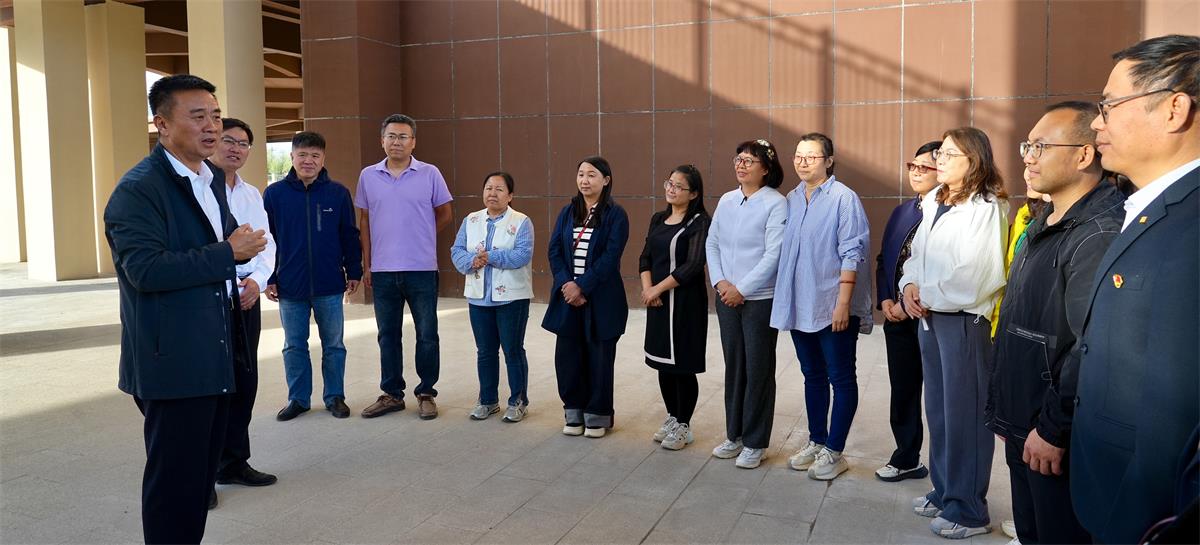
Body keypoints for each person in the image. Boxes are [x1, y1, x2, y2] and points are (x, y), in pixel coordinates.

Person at [104, 74, 267, 543]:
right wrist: (227, 253)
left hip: (215, 352)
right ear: (162, 124)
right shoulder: (139, 190)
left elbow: (226, 239)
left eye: (215, 115)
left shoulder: (209, 179)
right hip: (173, 361)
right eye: (198, 116)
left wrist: (243, 257)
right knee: (174, 484)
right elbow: (145, 270)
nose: (211, 126)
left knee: (198, 482)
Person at [1071, 34, 1200, 545]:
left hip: (1145, 514)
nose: (1096, 122)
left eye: (1109, 105)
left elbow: (1179, 409)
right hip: (1109, 492)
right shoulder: (1152, 207)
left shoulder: (1192, 225)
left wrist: (1141, 523)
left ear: (1174, 109)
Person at [986, 101, 1124, 545]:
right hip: (1024, 423)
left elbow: (1091, 345)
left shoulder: (1098, 233)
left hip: (1051, 435)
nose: (1028, 157)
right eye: (1027, 146)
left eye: (1041, 147)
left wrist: (1052, 428)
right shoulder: (1044, 221)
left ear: (1084, 155)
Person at [900, 127, 1008, 539]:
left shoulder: (987, 207)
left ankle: (969, 509)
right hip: (929, 316)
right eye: (940, 154)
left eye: (948, 155)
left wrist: (926, 294)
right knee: (940, 411)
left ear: (973, 160)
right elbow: (918, 255)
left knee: (967, 416)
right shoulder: (936, 201)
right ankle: (945, 491)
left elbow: (979, 275)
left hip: (962, 319)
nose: (938, 161)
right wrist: (909, 285)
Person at [771, 133, 872, 481]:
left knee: (840, 377)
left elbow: (852, 252)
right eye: (798, 155)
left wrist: (843, 304)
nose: (803, 162)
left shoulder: (844, 198)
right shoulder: (792, 198)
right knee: (812, 375)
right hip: (801, 304)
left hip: (833, 305)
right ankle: (817, 440)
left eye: (811, 156)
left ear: (828, 161)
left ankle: (835, 450)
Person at [357, 114, 454, 421]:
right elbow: (364, 222)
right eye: (391, 136)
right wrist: (368, 264)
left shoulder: (430, 173)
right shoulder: (368, 176)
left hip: (421, 268)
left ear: (413, 142)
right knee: (387, 335)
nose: (396, 142)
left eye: (403, 137)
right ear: (382, 140)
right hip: (383, 270)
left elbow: (445, 213)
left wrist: (422, 234)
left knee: (427, 333)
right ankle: (391, 394)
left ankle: (426, 393)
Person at [263, 131, 362, 421]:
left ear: (323, 159)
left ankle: (335, 397)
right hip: (289, 284)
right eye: (302, 155)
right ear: (292, 157)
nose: (308, 160)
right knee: (294, 345)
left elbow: (349, 235)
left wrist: (354, 270)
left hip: (329, 284)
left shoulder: (337, 193)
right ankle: (298, 399)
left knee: (334, 345)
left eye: (315, 155)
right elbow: (267, 240)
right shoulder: (274, 194)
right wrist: (269, 276)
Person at [206, 118, 278, 507]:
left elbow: (266, 243)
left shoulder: (251, 193)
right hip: (211, 300)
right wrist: (233, 279)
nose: (235, 148)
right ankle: (203, 476)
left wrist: (257, 281)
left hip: (247, 298)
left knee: (244, 382)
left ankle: (234, 462)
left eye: (243, 143)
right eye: (228, 140)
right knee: (210, 390)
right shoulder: (198, 188)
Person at [706, 139, 788, 470]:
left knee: (758, 369)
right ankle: (735, 434)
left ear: (766, 168)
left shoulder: (776, 203)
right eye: (738, 159)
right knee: (735, 366)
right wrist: (720, 282)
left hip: (759, 300)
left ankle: (755, 442)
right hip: (727, 297)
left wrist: (743, 288)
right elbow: (712, 243)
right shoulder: (727, 200)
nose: (741, 165)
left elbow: (774, 253)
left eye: (749, 161)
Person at [542, 156, 629, 438]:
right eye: (581, 174)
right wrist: (567, 284)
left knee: (599, 358)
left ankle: (597, 416)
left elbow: (610, 257)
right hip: (568, 298)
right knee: (568, 358)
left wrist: (582, 286)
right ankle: (573, 411)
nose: (585, 180)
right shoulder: (568, 212)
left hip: (601, 299)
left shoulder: (616, 215)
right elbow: (554, 250)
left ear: (606, 180)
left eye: (592, 175)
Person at [873, 140, 940, 483]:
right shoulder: (903, 211)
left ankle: (946, 471)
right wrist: (886, 299)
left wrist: (904, 304)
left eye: (924, 167)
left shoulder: (947, 212)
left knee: (940, 398)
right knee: (903, 390)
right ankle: (906, 457)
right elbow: (884, 259)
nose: (916, 172)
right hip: (897, 318)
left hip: (932, 316)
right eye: (912, 166)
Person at [450, 171, 534, 423]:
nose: (492, 193)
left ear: (510, 195)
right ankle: (487, 400)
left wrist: (490, 257)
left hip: (511, 298)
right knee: (485, 352)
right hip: (478, 298)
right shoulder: (471, 220)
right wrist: (471, 261)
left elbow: (522, 254)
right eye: (488, 188)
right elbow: (456, 250)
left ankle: (518, 401)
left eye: (499, 189)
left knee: (512, 350)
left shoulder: (521, 221)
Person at [639, 165, 711, 451]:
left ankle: (684, 424)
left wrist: (658, 289)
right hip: (657, 301)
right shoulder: (658, 218)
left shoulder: (699, 222)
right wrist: (648, 289)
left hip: (684, 303)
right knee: (662, 362)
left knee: (682, 364)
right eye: (669, 183)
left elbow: (693, 265)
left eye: (679, 186)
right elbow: (645, 257)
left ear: (693, 193)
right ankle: (672, 415)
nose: (671, 189)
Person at [989, 169, 1050, 337]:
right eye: (1026, 165)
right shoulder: (1025, 213)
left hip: (1036, 331)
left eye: (1036, 164)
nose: (1027, 174)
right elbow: (1008, 273)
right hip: (1008, 323)